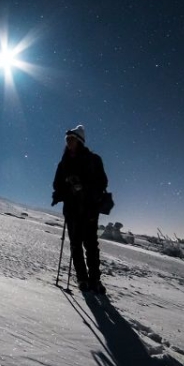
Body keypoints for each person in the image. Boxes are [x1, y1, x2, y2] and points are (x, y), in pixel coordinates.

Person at [51, 124, 108, 293]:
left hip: (90, 208)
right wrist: (68, 186)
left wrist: (83, 186)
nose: (68, 142)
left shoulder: (94, 159)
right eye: (67, 139)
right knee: (76, 245)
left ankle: (95, 280)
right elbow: (56, 184)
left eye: (71, 139)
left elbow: (103, 182)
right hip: (71, 209)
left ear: (80, 141)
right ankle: (82, 279)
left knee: (91, 244)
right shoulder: (64, 163)